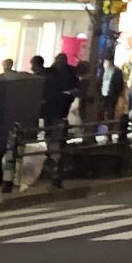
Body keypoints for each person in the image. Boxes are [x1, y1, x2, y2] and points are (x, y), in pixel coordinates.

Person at [40, 52, 80, 188]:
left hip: (61, 105)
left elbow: (76, 87)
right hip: (51, 105)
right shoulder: (51, 72)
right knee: (51, 128)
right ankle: (53, 153)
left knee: (57, 128)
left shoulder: (68, 73)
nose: (59, 63)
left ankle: (56, 157)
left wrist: (70, 94)